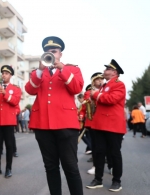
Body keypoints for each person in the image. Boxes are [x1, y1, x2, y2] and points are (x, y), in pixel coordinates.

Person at [25, 36, 84, 195]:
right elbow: (30, 90)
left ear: (60, 54)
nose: (50, 53)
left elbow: (77, 88)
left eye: (54, 51)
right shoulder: (38, 72)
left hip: (66, 125)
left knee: (70, 167)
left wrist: (62, 69)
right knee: (50, 167)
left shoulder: (72, 69)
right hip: (43, 125)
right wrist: (39, 70)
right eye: (47, 51)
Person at [86, 59, 126, 192]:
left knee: (114, 153)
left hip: (113, 125)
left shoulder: (119, 84)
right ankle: (98, 179)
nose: (104, 71)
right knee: (98, 153)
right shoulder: (104, 86)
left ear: (114, 72)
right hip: (100, 124)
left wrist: (96, 94)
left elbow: (111, 99)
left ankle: (116, 181)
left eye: (107, 69)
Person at [0, 65, 22, 179]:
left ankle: (8, 168)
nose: (4, 75)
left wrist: (5, 93)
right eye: (2, 73)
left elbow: (15, 102)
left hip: (9, 121)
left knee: (9, 146)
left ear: (10, 75)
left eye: (6, 73)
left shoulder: (15, 89)